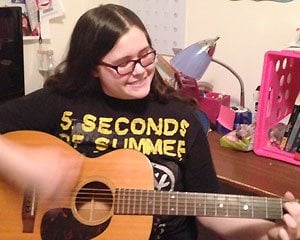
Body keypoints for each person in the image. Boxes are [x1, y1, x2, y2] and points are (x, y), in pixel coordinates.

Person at [0, 4, 299, 240]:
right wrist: (22, 165)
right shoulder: (61, 103)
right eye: (122, 63)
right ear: (93, 68)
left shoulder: (182, 118)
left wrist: (268, 232)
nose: (141, 70)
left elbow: (211, 212)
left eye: (146, 55)